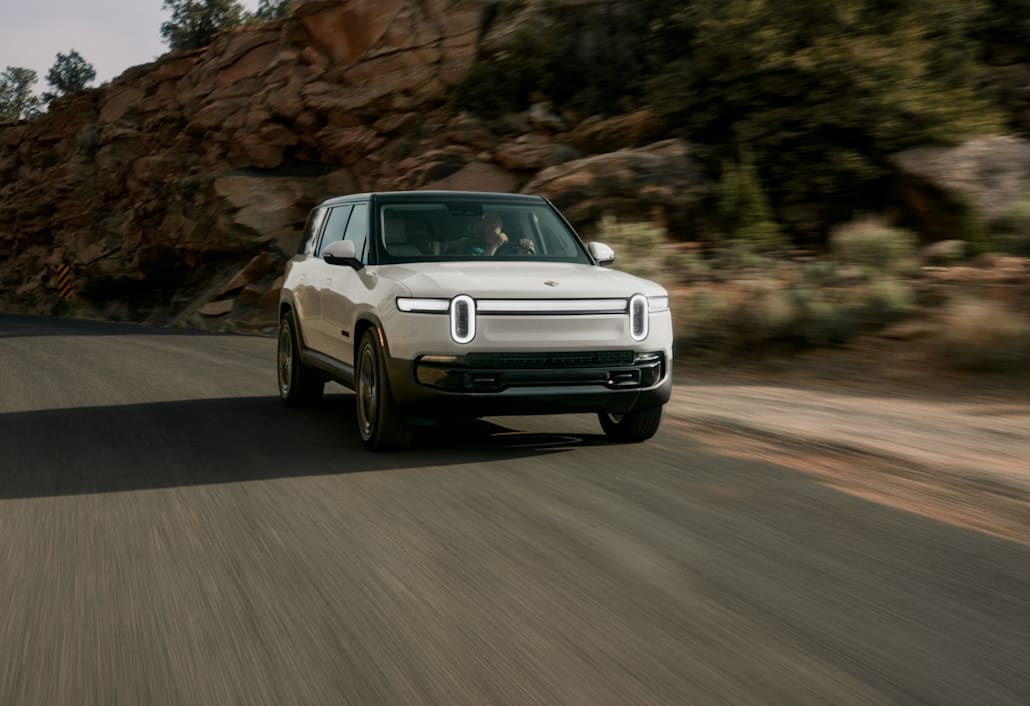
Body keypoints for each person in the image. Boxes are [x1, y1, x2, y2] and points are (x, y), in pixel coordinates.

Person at [464, 213, 536, 256]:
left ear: (501, 226)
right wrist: (495, 245)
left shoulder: (514, 246)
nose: (492, 224)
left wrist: (525, 250)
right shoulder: (474, 248)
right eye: (488, 221)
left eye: (495, 221)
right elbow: (477, 268)